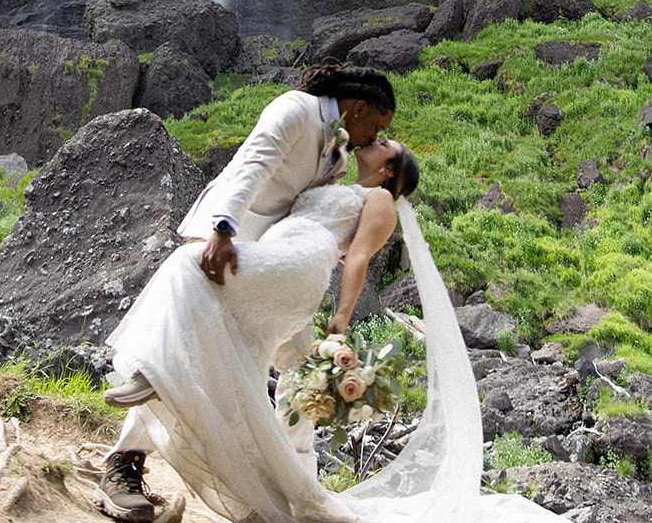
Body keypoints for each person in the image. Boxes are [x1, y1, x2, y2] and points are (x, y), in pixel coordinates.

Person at [97, 140, 554, 523]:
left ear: (389, 168)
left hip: (294, 270)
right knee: (282, 378)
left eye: (383, 144)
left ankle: (154, 444)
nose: (373, 141)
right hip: (275, 265)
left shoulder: (377, 201)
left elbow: (356, 258)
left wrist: (341, 318)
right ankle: (278, 483)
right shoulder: (333, 177)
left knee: (202, 299)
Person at [95, 65, 396, 521]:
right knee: (191, 350)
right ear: (358, 109)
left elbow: (313, 219)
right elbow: (253, 164)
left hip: (272, 269)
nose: (372, 138)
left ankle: (275, 485)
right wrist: (223, 228)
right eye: (376, 127)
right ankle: (125, 462)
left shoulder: (336, 160)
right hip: (230, 249)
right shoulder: (295, 109)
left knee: (290, 372)